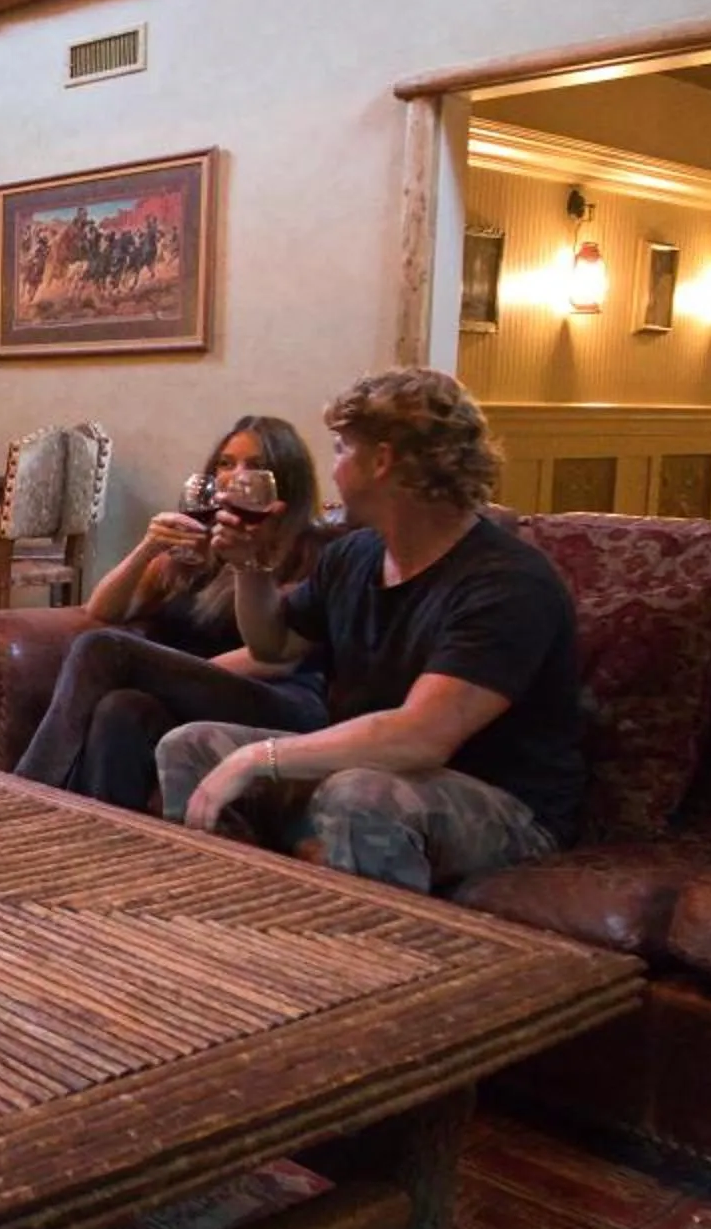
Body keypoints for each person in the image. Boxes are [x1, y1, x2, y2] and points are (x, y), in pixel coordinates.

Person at [155, 368, 585, 893]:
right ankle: (230, 917)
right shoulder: (355, 555)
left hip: (506, 804)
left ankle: (371, 961)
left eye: (340, 449)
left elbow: (421, 737)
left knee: (361, 794)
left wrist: (259, 758)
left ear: (381, 461)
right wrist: (250, 565)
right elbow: (274, 647)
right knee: (190, 745)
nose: (331, 470)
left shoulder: (507, 583)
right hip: (370, 769)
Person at [12, 416, 331, 810]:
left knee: (102, 648)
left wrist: (167, 675)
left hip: (280, 698)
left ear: (284, 479)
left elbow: (276, 657)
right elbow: (103, 608)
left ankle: (24, 796)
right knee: (122, 709)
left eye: (254, 465)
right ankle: (98, 836)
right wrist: (148, 547)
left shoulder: (313, 550)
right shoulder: (202, 546)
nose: (235, 476)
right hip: (197, 694)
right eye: (226, 464)